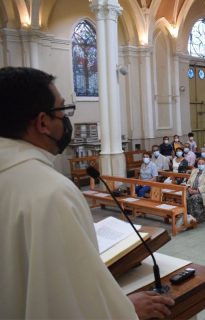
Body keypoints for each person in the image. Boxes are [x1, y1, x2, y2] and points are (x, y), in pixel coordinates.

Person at [0, 67, 174, 318]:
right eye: (62, 110)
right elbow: (71, 302)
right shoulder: (51, 193)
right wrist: (124, 310)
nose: (66, 119)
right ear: (42, 123)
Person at [184, 158, 205, 223]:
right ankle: (189, 216)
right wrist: (189, 188)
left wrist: (197, 191)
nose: (200, 165)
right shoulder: (194, 171)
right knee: (185, 197)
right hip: (192, 190)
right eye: (199, 163)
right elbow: (188, 182)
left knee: (194, 198)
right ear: (197, 164)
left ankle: (197, 217)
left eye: (202, 163)